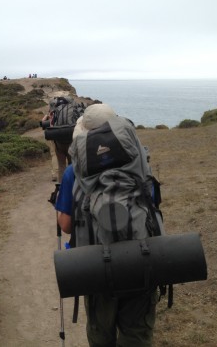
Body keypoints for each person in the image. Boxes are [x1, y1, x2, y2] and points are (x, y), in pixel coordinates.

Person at [54, 104, 157, 347]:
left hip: (98, 266)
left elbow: (66, 225)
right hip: (141, 259)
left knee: (101, 336)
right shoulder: (139, 164)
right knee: (137, 336)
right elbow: (153, 206)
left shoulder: (73, 172)